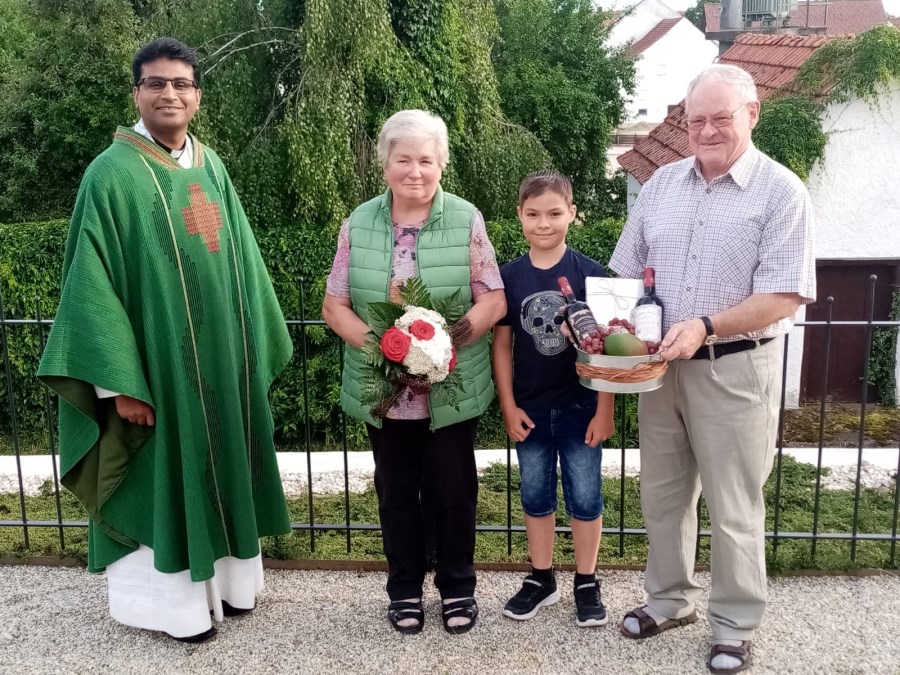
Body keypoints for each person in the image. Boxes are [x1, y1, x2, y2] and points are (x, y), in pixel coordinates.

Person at [37, 37, 293, 643]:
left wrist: (252, 353)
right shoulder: (110, 174)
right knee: (164, 471)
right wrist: (116, 384)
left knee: (223, 461)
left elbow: (245, 267)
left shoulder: (212, 164)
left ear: (197, 97)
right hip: (156, 373)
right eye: (156, 83)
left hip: (221, 369)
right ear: (137, 92)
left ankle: (230, 587)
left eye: (181, 84)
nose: (169, 94)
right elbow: (91, 289)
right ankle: (169, 608)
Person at [609, 64, 816, 673]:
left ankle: (734, 623)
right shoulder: (661, 185)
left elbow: (783, 295)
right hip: (659, 370)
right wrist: (604, 323)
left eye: (721, 118)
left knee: (733, 504)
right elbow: (627, 270)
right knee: (662, 496)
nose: (706, 130)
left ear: (752, 114)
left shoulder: (782, 193)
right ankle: (668, 601)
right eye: (696, 119)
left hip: (737, 366)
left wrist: (704, 323)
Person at [322, 109, 506, 634]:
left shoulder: (467, 219)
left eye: (426, 159)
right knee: (396, 494)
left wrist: (447, 344)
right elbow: (335, 306)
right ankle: (404, 590)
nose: (415, 171)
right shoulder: (358, 223)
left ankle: (457, 588)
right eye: (403, 159)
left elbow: (492, 298)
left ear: (442, 163)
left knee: (453, 493)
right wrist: (388, 350)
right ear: (386, 164)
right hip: (385, 393)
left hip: (452, 390)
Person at [493, 171, 615, 627]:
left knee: (585, 497)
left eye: (554, 213)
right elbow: (501, 345)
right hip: (529, 408)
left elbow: (604, 349)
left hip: (582, 408)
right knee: (534, 495)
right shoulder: (509, 276)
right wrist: (508, 406)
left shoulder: (591, 274)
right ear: (520, 216)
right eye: (533, 214)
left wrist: (605, 408)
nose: (543, 223)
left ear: (572, 215)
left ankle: (587, 580)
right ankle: (541, 578)